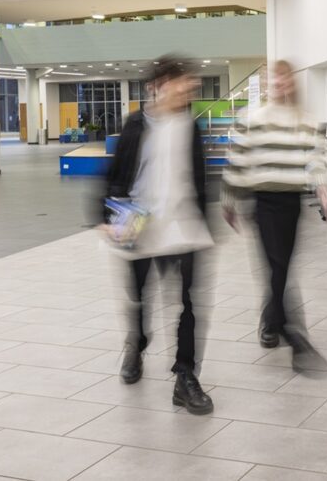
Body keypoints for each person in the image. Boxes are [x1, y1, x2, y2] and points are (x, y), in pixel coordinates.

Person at [102, 56, 214, 414]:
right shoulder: (135, 124)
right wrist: (106, 218)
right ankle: (136, 344)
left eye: (190, 86)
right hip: (140, 226)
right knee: (138, 296)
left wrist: (207, 222)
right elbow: (115, 174)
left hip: (183, 225)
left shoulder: (190, 126)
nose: (188, 91)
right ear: (159, 85)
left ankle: (185, 376)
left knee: (189, 303)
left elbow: (199, 178)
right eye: (182, 84)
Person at [222, 60, 327, 371]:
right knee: (278, 266)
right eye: (273, 78)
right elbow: (237, 160)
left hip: (291, 202)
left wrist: (326, 193)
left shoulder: (305, 120)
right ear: (266, 83)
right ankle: (292, 333)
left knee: (280, 267)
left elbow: (318, 157)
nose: (279, 83)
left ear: (291, 82)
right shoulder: (251, 118)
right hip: (262, 201)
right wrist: (229, 201)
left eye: (284, 78)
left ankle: (270, 321)